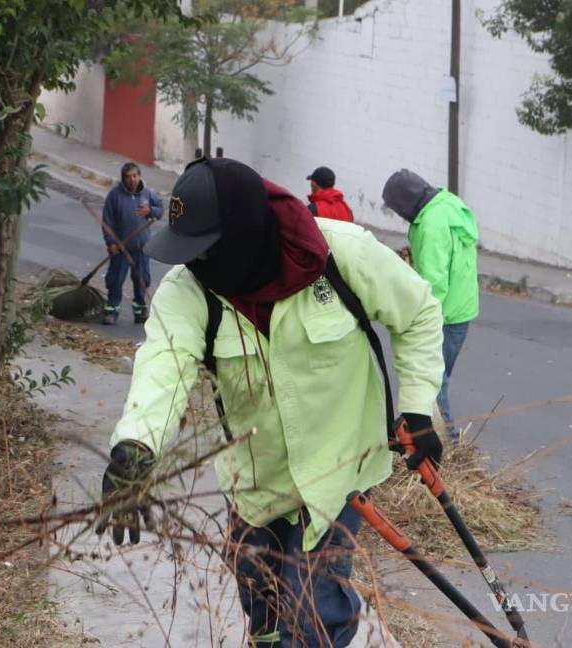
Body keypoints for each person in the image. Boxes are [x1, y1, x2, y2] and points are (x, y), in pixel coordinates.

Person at [96, 157, 445, 648]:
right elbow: (163, 363)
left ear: (242, 234)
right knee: (264, 613)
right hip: (255, 483)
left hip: (339, 474)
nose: (194, 264)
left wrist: (417, 407)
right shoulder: (191, 290)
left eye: (203, 250)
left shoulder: (340, 254)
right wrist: (136, 446)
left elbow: (420, 314)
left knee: (312, 611)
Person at [382, 169, 479, 443]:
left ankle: (446, 440)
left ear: (405, 203)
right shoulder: (445, 204)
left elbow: (434, 282)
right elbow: (446, 256)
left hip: (444, 313)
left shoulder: (431, 224)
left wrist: (416, 316)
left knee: (431, 379)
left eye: (398, 209)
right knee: (439, 376)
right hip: (461, 309)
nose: (400, 216)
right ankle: (441, 436)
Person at [100, 162, 164, 325]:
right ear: (123, 179)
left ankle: (140, 310)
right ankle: (112, 310)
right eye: (128, 177)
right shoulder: (114, 196)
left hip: (142, 248)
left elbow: (160, 210)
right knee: (116, 280)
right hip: (121, 249)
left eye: (135, 176)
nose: (132, 180)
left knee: (141, 279)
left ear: (139, 176)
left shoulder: (148, 194)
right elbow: (107, 222)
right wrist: (111, 243)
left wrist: (151, 211)